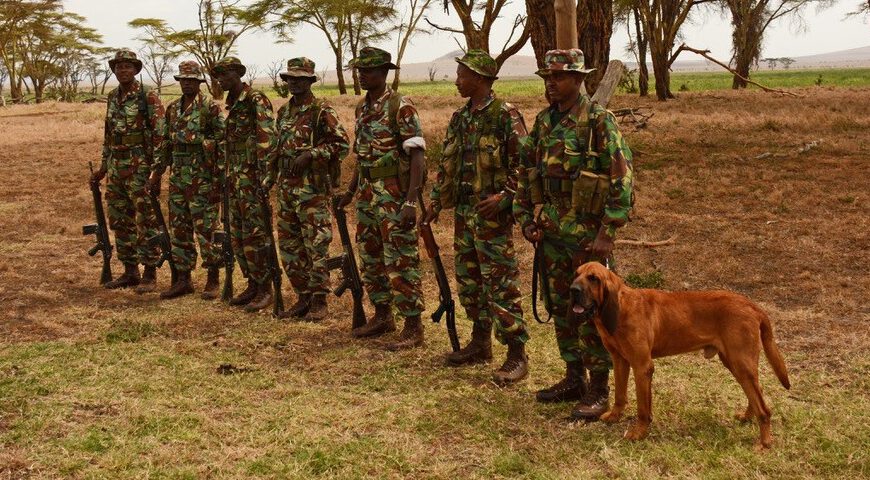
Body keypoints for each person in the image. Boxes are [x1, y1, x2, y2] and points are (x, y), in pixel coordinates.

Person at [513, 49, 634, 420]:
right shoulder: (545, 121)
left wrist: (608, 230)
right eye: (547, 78)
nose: (550, 84)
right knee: (562, 307)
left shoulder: (598, 120)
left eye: (559, 77)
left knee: (593, 311)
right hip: (551, 232)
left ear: (579, 80)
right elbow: (527, 171)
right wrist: (525, 217)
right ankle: (573, 377)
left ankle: (598, 387)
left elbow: (622, 176)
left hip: (586, 238)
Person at [425, 50, 530, 385]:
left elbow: (526, 163)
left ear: (481, 78)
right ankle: (480, 343)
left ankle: (516, 354)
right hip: (465, 215)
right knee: (470, 282)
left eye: (462, 75)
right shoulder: (460, 118)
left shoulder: (505, 115)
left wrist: (507, 196)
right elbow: (447, 166)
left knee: (501, 284)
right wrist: (436, 202)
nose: (457, 81)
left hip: (492, 218)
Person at [337, 47, 427, 351]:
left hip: (393, 193)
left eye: (369, 70)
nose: (362, 75)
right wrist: (349, 192)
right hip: (366, 193)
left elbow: (417, 158)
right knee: (371, 255)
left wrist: (412, 201)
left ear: (383, 72)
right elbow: (362, 158)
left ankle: (413, 325)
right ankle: (383, 315)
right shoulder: (362, 108)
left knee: (400, 258)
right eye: (360, 70)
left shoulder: (400, 106)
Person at [265, 57, 349, 321]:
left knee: (316, 245)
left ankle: (319, 299)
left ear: (311, 80)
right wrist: (269, 179)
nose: (294, 83)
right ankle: (302, 296)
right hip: (287, 189)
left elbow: (342, 144)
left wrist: (312, 154)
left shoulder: (322, 111)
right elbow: (277, 150)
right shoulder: (284, 112)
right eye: (290, 78)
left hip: (312, 191)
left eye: (300, 78)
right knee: (290, 246)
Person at [147, 61, 225, 300]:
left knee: (207, 229)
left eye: (191, 80)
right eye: (183, 80)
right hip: (179, 178)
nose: (187, 84)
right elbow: (165, 145)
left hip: (203, 178)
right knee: (179, 228)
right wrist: (157, 172)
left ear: (199, 83)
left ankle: (213, 279)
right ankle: (183, 279)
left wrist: (218, 180)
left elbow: (223, 142)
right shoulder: (172, 109)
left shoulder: (209, 107)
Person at [90, 49, 165, 293]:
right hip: (116, 167)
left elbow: (159, 136)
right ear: (114, 70)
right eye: (119, 67)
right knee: (120, 219)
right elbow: (108, 135)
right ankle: (130, 270)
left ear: (136, 70)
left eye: (128, 67)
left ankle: (150, 271)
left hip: (140, 167)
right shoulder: (112, 97)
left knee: (145, 220)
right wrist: (103, 167)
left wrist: (156, 172)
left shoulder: (147, 96)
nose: (123, 70)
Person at [210, 57, 277, 312]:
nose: (222, 80)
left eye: (226, 75)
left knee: (256, 233)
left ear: (238, 74)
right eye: (219, 76)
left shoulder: (255, 99)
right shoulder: (231, 103)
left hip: (251, 178)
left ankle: (265, 288)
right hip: (234, 177)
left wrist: (264, 179)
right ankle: (251, 283)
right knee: (238, 234)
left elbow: (266, 140)